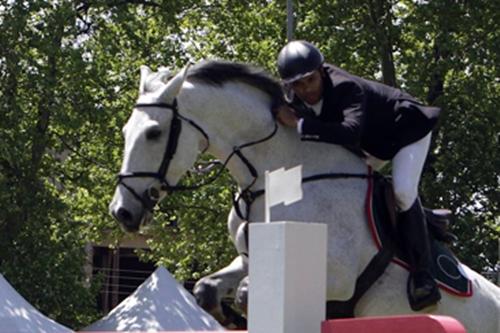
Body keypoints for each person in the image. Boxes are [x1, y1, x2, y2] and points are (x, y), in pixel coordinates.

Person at [274, 40, 442, 311]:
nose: (306, 90)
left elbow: (350, 130)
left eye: (310, 80)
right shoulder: (290, 96)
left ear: (322, 72)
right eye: (298, 85)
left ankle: (423, 275)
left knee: (402, 191)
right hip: (371, 144)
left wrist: (301, 124)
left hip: (406, 131)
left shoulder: (345, 87)